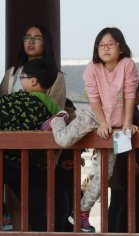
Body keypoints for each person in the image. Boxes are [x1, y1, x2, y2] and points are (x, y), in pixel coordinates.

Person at [44, 27, 139, 232]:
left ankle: (81, 212)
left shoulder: (128, 65)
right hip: (93, 115)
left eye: (110, 44)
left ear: (120, 47)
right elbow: (94, 99)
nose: (105, 48)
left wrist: (128, 122)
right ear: (97, 48)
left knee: (104, 173)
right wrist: (103, 123)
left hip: (117, 125)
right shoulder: (92, 68)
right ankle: (57, 119)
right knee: (62, 140)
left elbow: (130, 94)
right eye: (101, 45)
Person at [0, 58, 59, 231]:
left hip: (14, 164)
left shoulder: (22, 101)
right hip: (37, 170)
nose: (20, 81)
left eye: (22, 77)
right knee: (38, 215)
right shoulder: (53, 107)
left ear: (33, 81)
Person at [0, 24, 66, 117]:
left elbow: (55, 116)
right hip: (10, 131)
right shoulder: (11, 74)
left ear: (46, 43)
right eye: (27, 38)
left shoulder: (57, 76)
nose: (31, 42)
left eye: (37, 38)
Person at [114, 82, 139, 233]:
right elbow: (120, 136)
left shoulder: (133, 111)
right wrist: (130, 161)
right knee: (131, 203)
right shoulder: (124, 113)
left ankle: (137, 232)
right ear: (136, 94)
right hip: (131, 166)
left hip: (138, 169)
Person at [54, 99, 85, 232]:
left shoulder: (76, 131)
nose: (70, 115)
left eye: (72, 112)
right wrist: (59, 163)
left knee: (73, 210)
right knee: (62, 210)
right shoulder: (55, 131)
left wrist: (78, 159)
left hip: (72, 180)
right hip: (58, 179)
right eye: (66, 112)